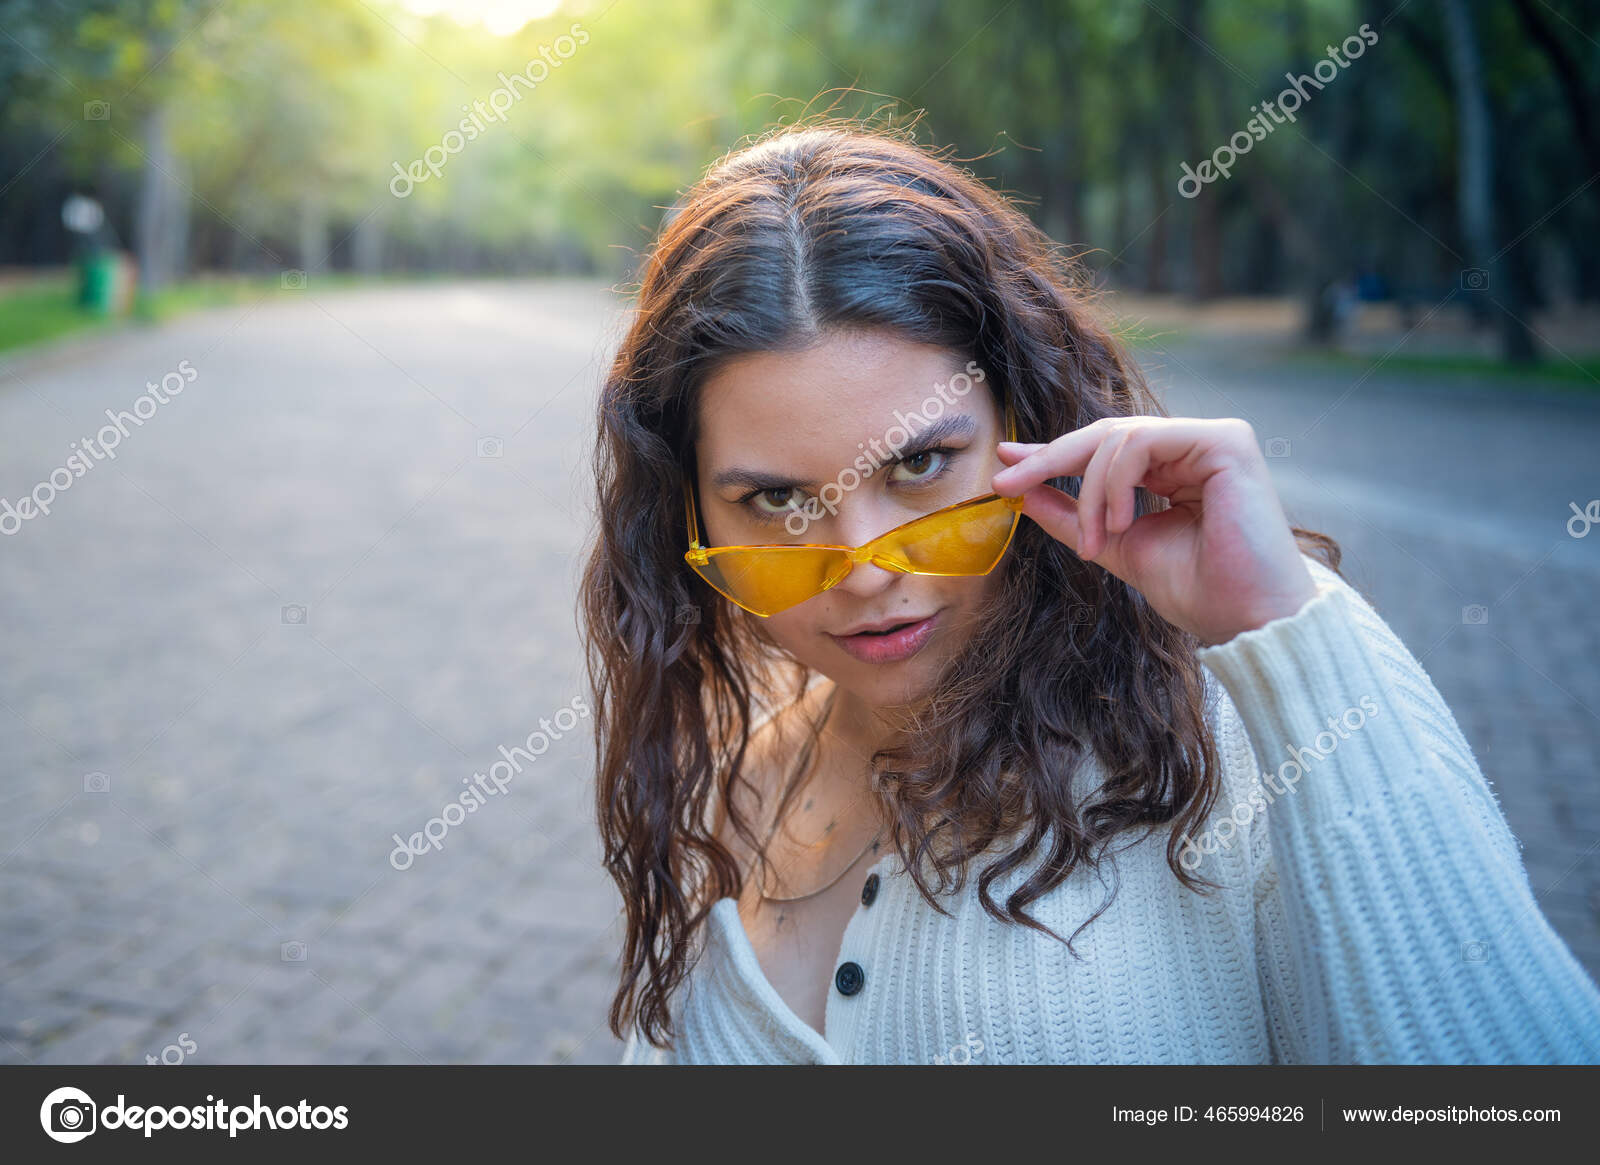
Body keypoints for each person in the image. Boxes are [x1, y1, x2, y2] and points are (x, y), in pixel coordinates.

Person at [578, 119, 1600, 1064]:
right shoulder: (734, 790)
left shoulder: (1244, 726)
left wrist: (1282, 634)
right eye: (776, 499)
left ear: (1032, 416)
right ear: (689, 513)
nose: (868, 566)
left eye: (922, 465)